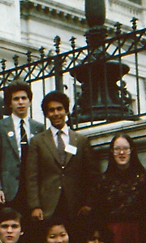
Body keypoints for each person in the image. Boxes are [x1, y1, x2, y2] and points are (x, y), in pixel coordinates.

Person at [25, 90, 96, 223]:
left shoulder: (80, 140)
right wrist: (35, 206)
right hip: (48, 206)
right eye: (51, 110)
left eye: (59, 109)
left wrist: (88, 204)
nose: (56, 113)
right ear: (46, 114)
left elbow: (91, 175)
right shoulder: (38, 141)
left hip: (76, 206)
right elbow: (32, 177)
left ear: (66, 111)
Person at [91, 133, 146, 243]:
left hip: (138, 234)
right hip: (113, 236)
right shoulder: (103, 181)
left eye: (125, 148)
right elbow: (99, 213)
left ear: (131, 151)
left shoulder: (144, 178)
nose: (121, 153)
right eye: (117, 149)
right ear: (112, 152)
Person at [0, 82, 44, 215]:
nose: (20, 102)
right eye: (16, 99)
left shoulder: (38, 127)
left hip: (32, 188)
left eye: (24, 98)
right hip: (9, 188)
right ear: (10, 103)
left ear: (29, 101)